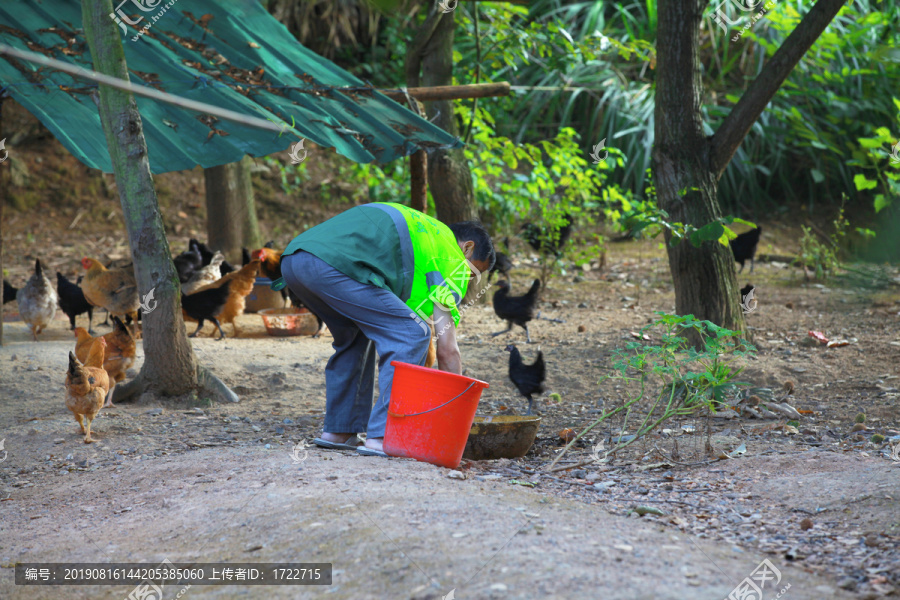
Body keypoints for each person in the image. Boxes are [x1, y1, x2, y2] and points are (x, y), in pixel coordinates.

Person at [277, 202, 495, 457]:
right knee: (413, 333)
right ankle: (384, 435)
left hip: (295, 261)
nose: (467, 282)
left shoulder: (426, 233)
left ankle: (339, 431)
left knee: (355, 336)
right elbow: (448, 351)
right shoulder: (450, 255)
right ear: (467, 248)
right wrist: (455, 417)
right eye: (472, 273)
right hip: (334, 267)